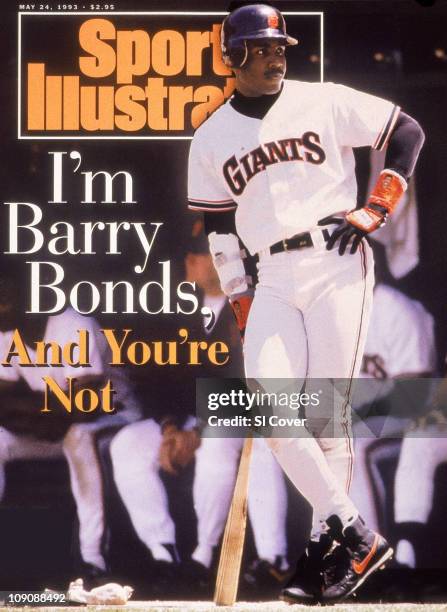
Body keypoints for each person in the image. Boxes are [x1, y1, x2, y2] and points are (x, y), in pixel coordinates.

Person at [187, 4, 425, 604]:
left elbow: (406, 133)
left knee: (324, 415)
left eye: (279, 47)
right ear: (233, 56)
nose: (276, 56)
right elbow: (218, 230)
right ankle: (356, 534)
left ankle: (329, 556)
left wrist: (377, 208)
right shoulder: (212, 136)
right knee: (270, 408)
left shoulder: (321, 98)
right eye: (262, 48)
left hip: (335, 256)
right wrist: (238, 297)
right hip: (269, 273)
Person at [0, 267, 141, 586]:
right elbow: (3, 402)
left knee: (79, 436)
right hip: (53, 424)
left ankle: (92, 558)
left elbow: (86, 402)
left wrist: (32, 412)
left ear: (30, 298)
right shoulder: (7, 332)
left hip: (115, 420)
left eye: (6, 295)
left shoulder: (72, 322)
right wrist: (40, 413)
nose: (1, 304)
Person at [350, 283, 436, 532]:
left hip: (418, 419)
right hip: (372, 418)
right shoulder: (339, 310)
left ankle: (372, 551)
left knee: (355, 445)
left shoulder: (395, 308)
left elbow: (415, 394)